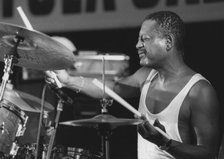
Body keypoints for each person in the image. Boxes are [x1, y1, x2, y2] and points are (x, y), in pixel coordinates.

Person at [46, 11, 221, 159]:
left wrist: (164, 143)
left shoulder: (199, 91)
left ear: (168, 42)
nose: (138, 45)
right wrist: (68, 80)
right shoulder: (146, 76)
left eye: (144, 39)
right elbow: (112, 89)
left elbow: (209, 154)